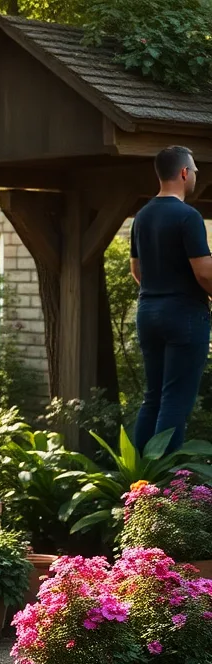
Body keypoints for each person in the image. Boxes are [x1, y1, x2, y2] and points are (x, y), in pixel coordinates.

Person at [131, 146, 212, 454]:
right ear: (183, 173)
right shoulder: (188, 216)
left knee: (153, 397)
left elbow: (137, 270)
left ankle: (140, 481)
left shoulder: (142, 215)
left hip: (148, 311)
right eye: (194, 171)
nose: (194, 177)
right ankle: (165, 487)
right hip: (184, 316)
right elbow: (204, 273)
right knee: (176, 400)